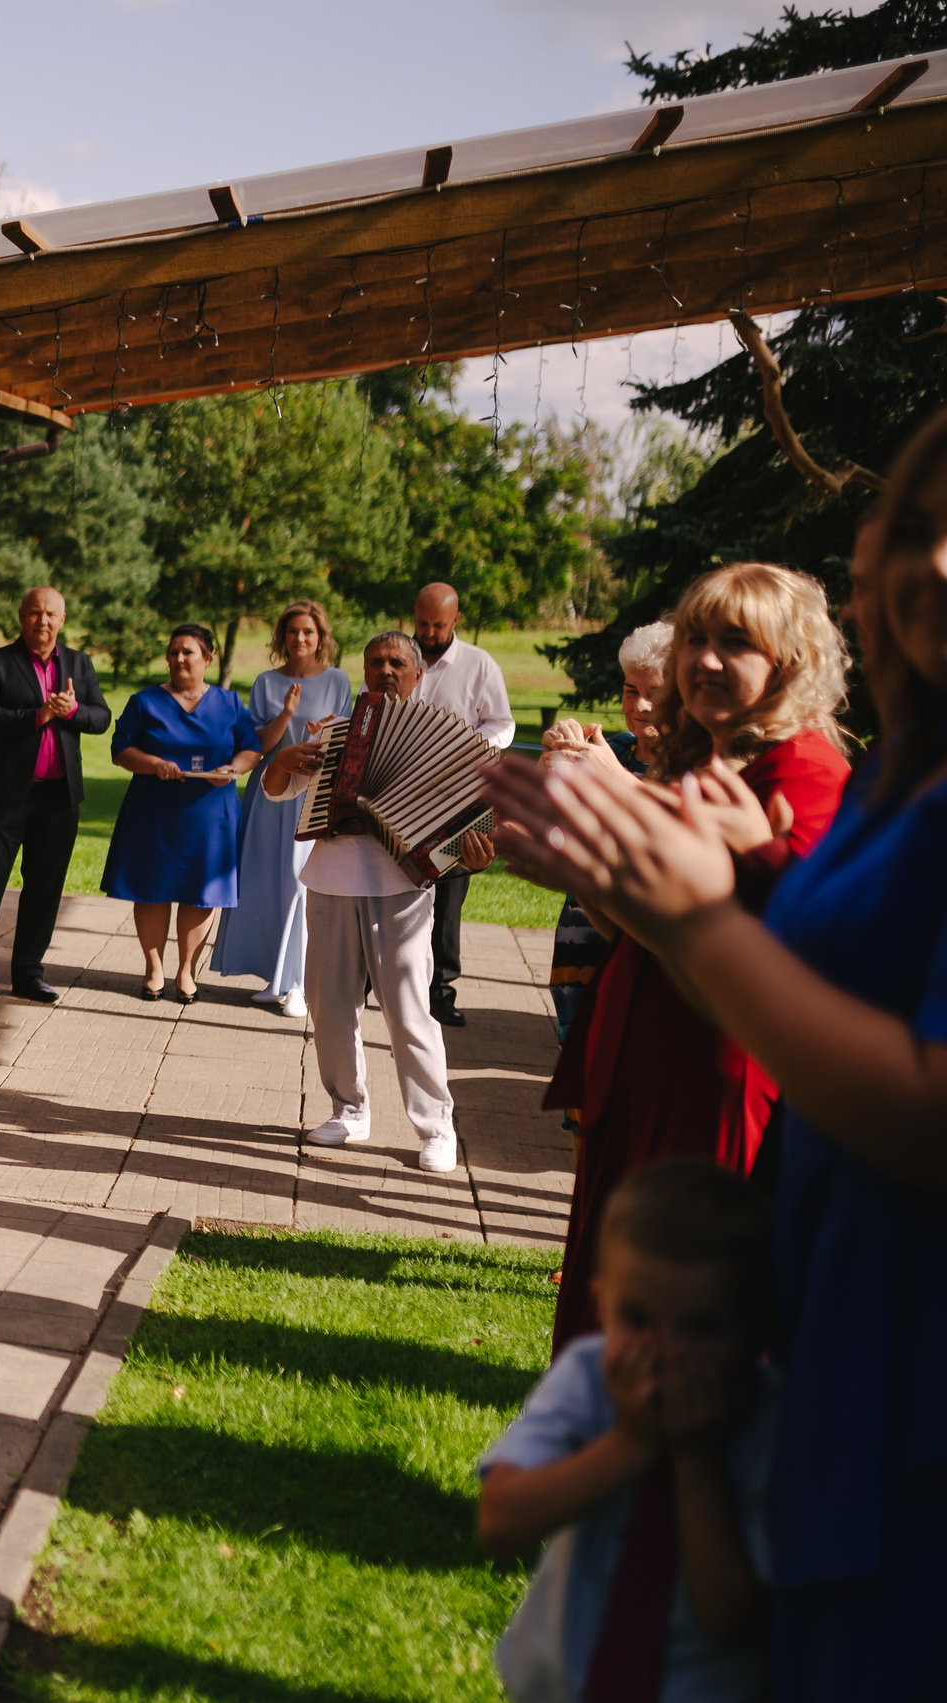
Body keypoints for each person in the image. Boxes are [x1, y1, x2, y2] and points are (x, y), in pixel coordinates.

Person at [481, 407, 947, 1697]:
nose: (929, 567)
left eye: (732, 641)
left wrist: (681, 901)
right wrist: (629, 879)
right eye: (908, 535)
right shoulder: (910, 769)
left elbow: (900, 1082)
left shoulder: (828, 771)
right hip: (836, 1254)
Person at [538, 565, 852, 1349]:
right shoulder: (706, 761)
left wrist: (599, 861)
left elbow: (770, 956)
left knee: (676, 1313)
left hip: (717, 1071)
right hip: (645, 1055)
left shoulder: (805, 773)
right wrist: (586, 870)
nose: (705, 660)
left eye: (734, 642)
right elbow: (636, 938)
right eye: (695, 640)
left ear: (789, 660)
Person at [477, 1159, 776, 1703]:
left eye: (701, 1328)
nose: (665, 1352)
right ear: (601, 1306)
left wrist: (694, 1460)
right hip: (558, 1686)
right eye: (637, 1319)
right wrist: (632, 1443)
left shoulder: (771, 1421)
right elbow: (500, 1520)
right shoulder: (588, 1377)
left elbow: (730, 1613)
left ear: (753, 1326)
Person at [261, 632, 494, 1173]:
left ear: (416, 675)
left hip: (403, 889)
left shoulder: (446, 743)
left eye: (396, 662)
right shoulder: (333, 734)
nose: (385, 670)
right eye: (375, 662)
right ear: (363, 671)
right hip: (330, 880)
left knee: (410, 1010)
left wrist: (477, 854)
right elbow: (277, 789)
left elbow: (476, 832)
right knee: (330, 1005)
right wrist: (283, 759)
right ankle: (349, 1110)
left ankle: (437, 1128)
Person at [0, 586, 112, 1006]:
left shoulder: (78, 663)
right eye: (34, 613)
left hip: (60, 798)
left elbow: (101, 717)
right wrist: (39, 715)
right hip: (5, 794)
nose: (42, 621)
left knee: (45, 888)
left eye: (51, 614)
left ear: (62, 620)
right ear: (21, 616)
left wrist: (72, 712)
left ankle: (28, 973)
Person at [101, 623, 258, 1002]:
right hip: (154, 811)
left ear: (208, 658)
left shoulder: (230, 703)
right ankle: (153, 968)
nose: (179, 658)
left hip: (210, 814)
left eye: (188, 652)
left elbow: (250, 748)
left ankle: (187, 972)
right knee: (151, 890)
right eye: (173, 652)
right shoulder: (145, 702)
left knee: (200, 893)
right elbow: (120, 749)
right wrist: (153, 762)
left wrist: (232, 770)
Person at [215, 600, 353, 1018]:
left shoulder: (338, 681)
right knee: (267, 884)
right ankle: (275, 975)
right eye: (293, 631)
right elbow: (258, 745)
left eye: (308, 632)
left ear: (321, 638)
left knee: (301, 886)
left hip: (312, 797)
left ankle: (299, 983)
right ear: (282, 637)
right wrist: (288, 714)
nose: (300, 638)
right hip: (269, 796)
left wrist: (325, 728)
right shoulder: (265, 682)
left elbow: (347, 740)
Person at [539, 621, 671, 1049]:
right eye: (631, 690)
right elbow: (551, 825)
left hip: (638, 948)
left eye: (654, 692)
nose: (641, 705)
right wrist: (552, 760)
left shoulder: (688, 767)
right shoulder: (609, 747)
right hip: (578, 939)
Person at [411, 582, 517, 1027]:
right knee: (386, 884)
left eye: (438, 625)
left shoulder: (479, 664)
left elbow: (503, 723)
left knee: (449, 893)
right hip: (401, 789)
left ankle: (441, 991)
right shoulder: (397, 656)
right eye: (422, 623)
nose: (430, 632)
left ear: (456, 620)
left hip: (457, 796)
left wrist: (473, 747)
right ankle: (369, 981)